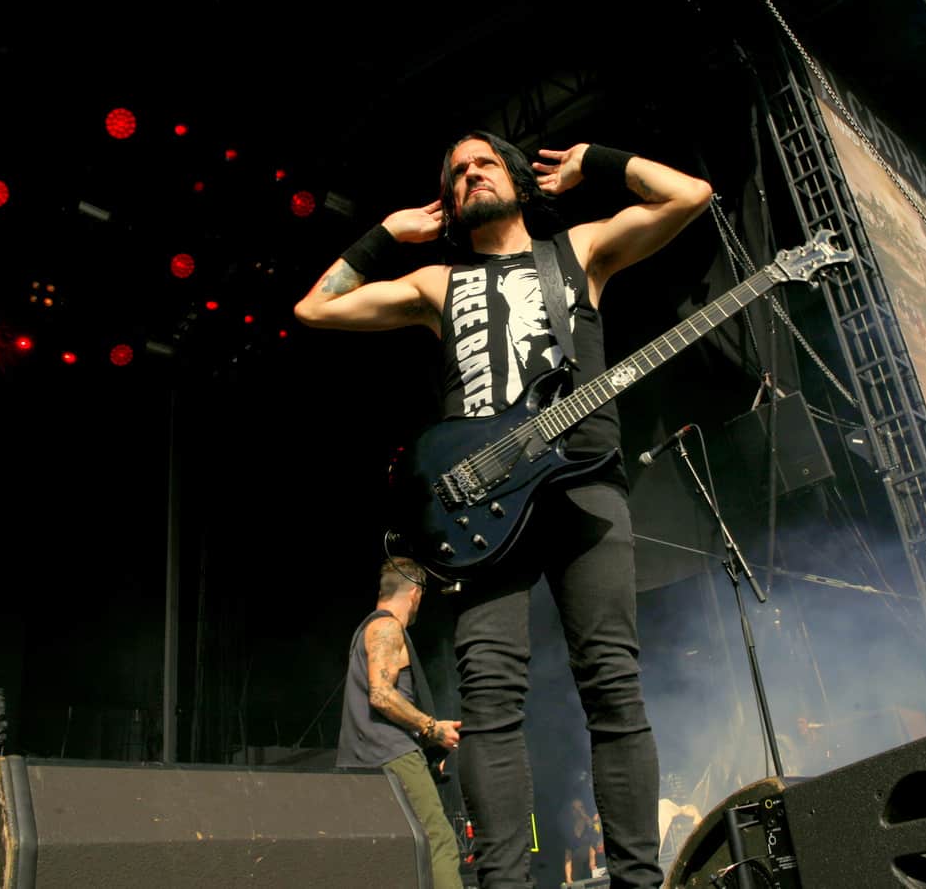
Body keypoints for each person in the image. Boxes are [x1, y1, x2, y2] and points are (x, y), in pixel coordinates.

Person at [295, 131, 712, 888]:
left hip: (582, 484)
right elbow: (314, 307)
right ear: (449, 202)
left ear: (519, 180)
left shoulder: (580, 249)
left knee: (612, 684)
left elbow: (690, 195)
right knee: (488, 701)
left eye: (485, 162)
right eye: (457, 172)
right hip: (481, 507)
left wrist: (597, 163)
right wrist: (386, 233)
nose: (470, 174)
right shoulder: (436, 283)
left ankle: (638, 881)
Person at [334, 556, 465, 889]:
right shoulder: (387, 627)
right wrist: (432, 728)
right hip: (392, 755)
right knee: (439, 841)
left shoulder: (366, 630)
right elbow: (381, 695)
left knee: (392, 853)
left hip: (361, 760)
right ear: (416, 593)